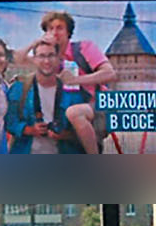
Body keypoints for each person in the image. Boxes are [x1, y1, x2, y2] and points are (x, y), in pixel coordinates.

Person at [39, 10, 113, 155]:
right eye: (50, 29)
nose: (54, 32)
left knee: (74, 113)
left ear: (68, 32)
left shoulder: (83, 48)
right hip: (65, 114)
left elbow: (110, 73)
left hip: (97, 106)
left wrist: (76, 80)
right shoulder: (46, 58)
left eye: (59, 28)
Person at [6, 38, 91, 154]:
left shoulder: (72, 91)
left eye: (51, 55)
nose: (46, 61)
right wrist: (29, 130)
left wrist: (64, 135)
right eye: (41, 56)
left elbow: (86, 131)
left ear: (58, 59)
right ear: (34, 59)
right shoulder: (19, 88)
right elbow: (9, 121)